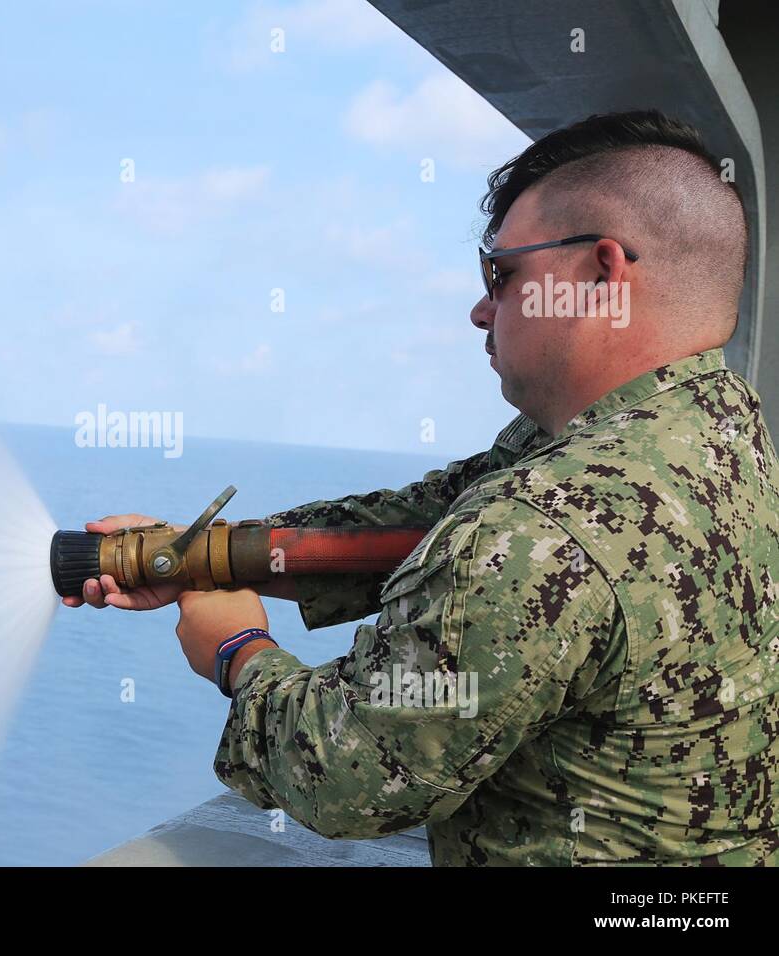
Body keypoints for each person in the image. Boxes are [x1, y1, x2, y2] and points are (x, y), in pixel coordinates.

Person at [67, 110, 779, 865]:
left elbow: (346, 779)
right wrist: (200, 556)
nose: (481, 308)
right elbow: (426, 517)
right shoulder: (715, 424)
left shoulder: (544, 529)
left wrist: (238, 650)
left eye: (502, 274)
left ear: (600, 274)